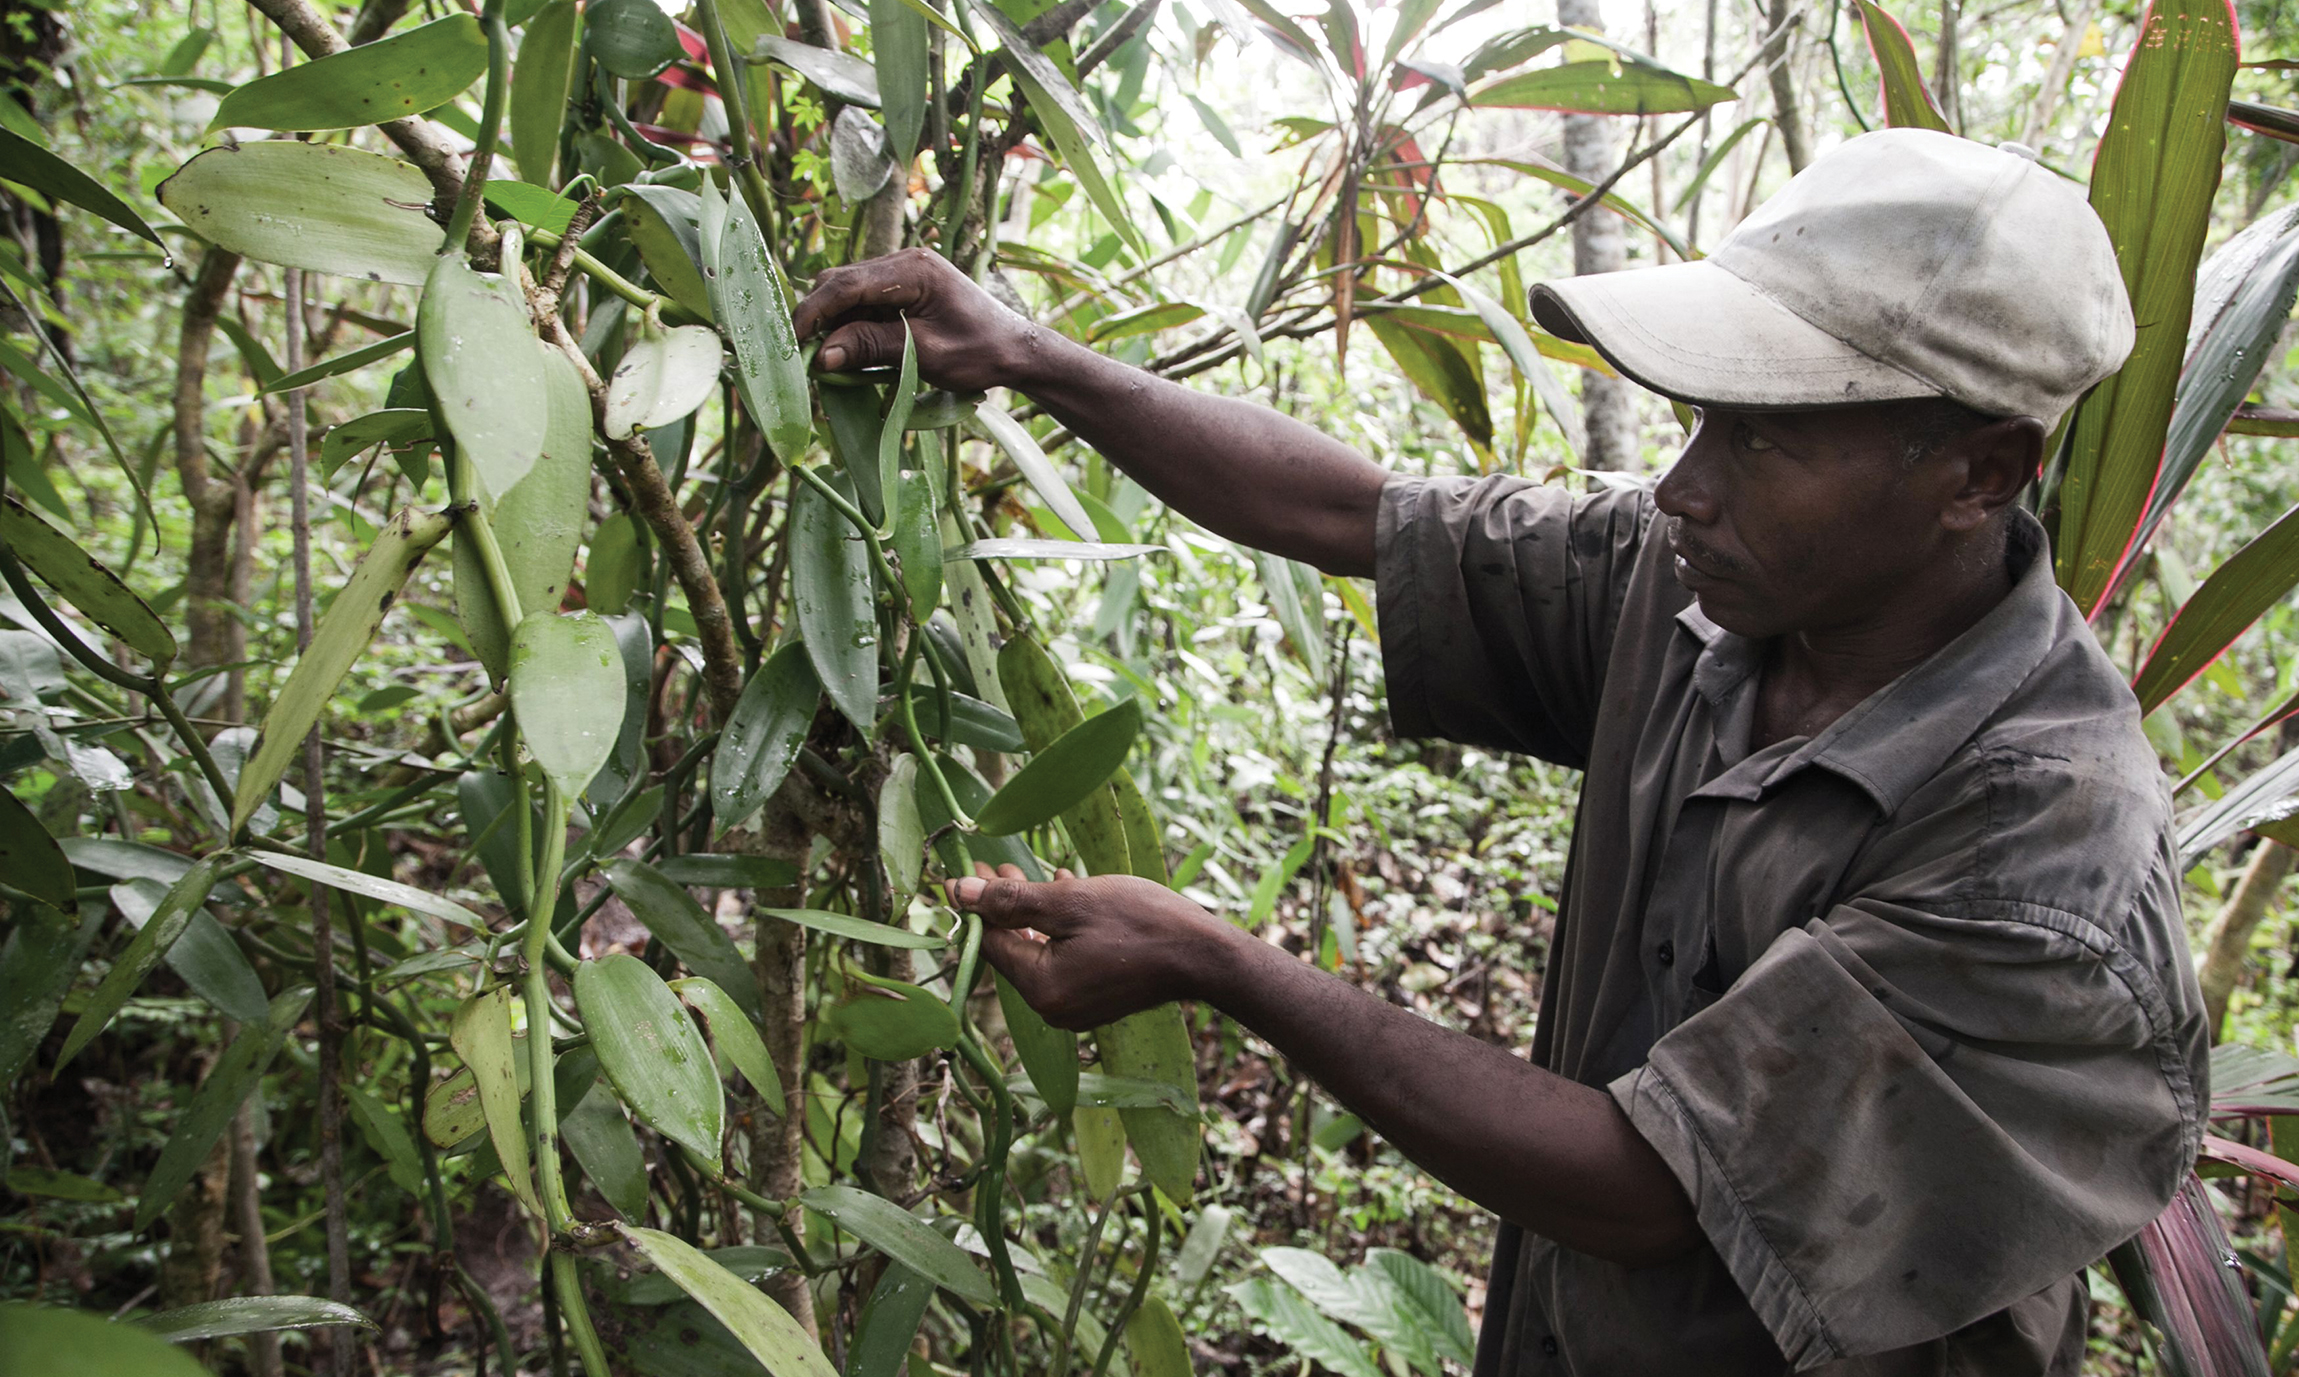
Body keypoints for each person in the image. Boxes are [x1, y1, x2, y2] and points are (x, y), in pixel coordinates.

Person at [792, 127, 2208, 1374]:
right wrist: (1030, 356)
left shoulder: (2043, 867)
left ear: (1981, 472)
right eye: (1699, 415)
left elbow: (1653, 1189)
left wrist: (1220, 960)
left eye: (1766, 440)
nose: (1684, 484)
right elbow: (1367, 517)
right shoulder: (1705, 587)